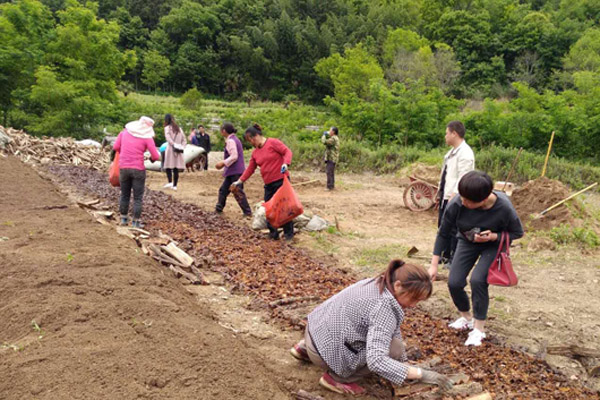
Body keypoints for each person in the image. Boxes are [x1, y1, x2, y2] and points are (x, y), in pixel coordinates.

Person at [290, 260, 454, 395]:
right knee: (394, 349)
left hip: (313, 333)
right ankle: (336, 378)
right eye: (414, 298)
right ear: (398, 285)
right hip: (323, 351)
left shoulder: (378, 282)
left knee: (392, 347)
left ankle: (303, 350)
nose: (414, 305)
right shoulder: (383, 308)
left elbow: (392, 328)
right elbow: (376, 361)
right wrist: (421, 374)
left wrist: (403, 363)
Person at [429, 171, 524, 347]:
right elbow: (443, 233)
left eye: (468, 201)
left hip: (492, 245)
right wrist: (433, 265)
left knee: (478, 280)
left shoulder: (503, 207)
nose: (462, 202)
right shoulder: (457, 203)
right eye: (462, 197)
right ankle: (467, 318)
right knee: (454, 282)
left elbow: (517, 232)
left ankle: (479, 329)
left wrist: (494, 236)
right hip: (467, 241)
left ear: (483, 198)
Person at [233, 124, 294, 241]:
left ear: (255, 136)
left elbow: (287, 151)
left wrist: (286, 163)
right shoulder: (255, 153)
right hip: (269, 184)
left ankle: (288, 234)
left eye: (250, 140)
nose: (251, 143)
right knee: (269, 208)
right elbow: (250, 169)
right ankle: (273, 233)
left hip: (281, 180)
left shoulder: (273, 143)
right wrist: (239, 181)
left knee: (284, 208)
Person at [437, 121, 475, 265]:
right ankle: (444, 254)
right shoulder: (451, 153)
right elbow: (445, 175)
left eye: (447, 133)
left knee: (454, 228)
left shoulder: (465, 153)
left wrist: (455, 194)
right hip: (446, 195)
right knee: (443, 226)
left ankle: (454, 258)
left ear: (454, 134)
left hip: (455, 197)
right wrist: (440, 193)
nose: (445, 136)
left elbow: (463, 177)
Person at [112, 116, 160, 228]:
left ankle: (123, 219)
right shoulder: (147, 137)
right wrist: (151, 159)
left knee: (124, 194)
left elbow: (116, 147)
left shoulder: (124, 133)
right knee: (137, 197)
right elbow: (156, 156)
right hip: (138, 169)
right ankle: (135, 222)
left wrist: (125, 154)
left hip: (123, 167)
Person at [214, 123, 252, 217]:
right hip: (235, 170)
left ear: (223, 131)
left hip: (234, 171)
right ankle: (219, 208)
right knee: (224, 190)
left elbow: (234, 156)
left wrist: (223, 163)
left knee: (237, 191)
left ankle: (247, 212)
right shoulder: (235, 139)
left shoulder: (230, 141)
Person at [162, 114, 186, 191]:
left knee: (168, 165)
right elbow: (184, 139)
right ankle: (175, 185)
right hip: (178, 150)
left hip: (170, 149)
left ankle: (170, 182)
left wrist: (173, 144)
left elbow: (168, 138)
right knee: (176, 167)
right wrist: (182, 146)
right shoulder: (179, 129)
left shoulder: (167, 128)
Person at [321, 126, 340, 190]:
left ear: (333, 132)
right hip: (333, 158)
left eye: (330, 130)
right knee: (331, 172)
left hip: (331, 158)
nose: (329, 131)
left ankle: (329, 186)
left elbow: (325, 142)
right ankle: (331, 186)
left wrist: (324, 135)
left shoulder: (333, 138)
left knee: (329, 172)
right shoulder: (334, 138)